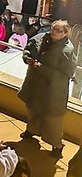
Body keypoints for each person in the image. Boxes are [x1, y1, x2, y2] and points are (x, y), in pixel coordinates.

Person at [18, 19, 75, 157]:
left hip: (52, 91)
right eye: (53, 28)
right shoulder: (40, 38)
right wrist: (26, 57)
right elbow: (28, 48)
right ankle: (31, 130)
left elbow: (65, 74)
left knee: (52, 120)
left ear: (65, 33)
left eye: (58, 30)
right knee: (33, 110)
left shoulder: (67, 51)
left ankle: (57, 145)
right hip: (34, 85)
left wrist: (41, 67)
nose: (54, 31)